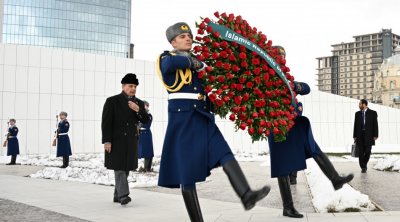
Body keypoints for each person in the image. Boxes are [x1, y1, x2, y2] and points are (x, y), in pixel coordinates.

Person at [157, 22, 270, 221]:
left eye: (189, 35)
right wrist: (196, 63)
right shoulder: (167, 58)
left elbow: (206, 87)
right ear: (173, 41)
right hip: (183, 121)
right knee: (187, 175)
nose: (188, 38)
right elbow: (170, 66)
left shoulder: (199, 61)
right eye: (183, 37)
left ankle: (246, 195)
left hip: (203, 117)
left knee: (224, 152)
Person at [268, 46, 354, 218]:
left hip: (293, 123)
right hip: (277, 124)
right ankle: (288, 206)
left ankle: (335, 179)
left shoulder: (286, 77)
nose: (282, 58)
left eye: (284, 55)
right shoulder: (267, 77)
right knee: (282, 165)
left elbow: (306, 88)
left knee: (313, 147)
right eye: (279, 55)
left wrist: (294, 85)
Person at [101, 73, 150, 205]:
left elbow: (146, 120)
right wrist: (107, 141)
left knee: (126, 168)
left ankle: (117, 195)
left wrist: (138, 109)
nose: (133, 88)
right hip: (116, 141)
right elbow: (106, 123)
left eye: (135, 86)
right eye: (130, 86)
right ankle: (124, 195)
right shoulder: (112, 101)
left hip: (131, 142)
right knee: (119, 168)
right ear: (123, 86)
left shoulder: (138, 102)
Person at [353, 99, 378, 173]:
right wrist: (355, 136)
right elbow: (355, 125)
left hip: (369, 135)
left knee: (368, 151)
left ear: (364, 104)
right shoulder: (357, 114)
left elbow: (375, 124)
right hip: (359, 135)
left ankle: (364, 163)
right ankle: (363, 167)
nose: (359, 105)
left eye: (360, 104)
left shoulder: (373, 113)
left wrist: (375, 135)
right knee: (360, 152)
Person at [138, 101, 154, 172]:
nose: (145, 107)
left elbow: (147, 124)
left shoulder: (149, 115)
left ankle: (147, 168)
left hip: (146, 134)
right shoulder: (138, 114)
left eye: (146, 105)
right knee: (135, 151)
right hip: (139, 134)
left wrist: (139, 125)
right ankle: (133, 167)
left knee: (148, 151)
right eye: (144, 105)